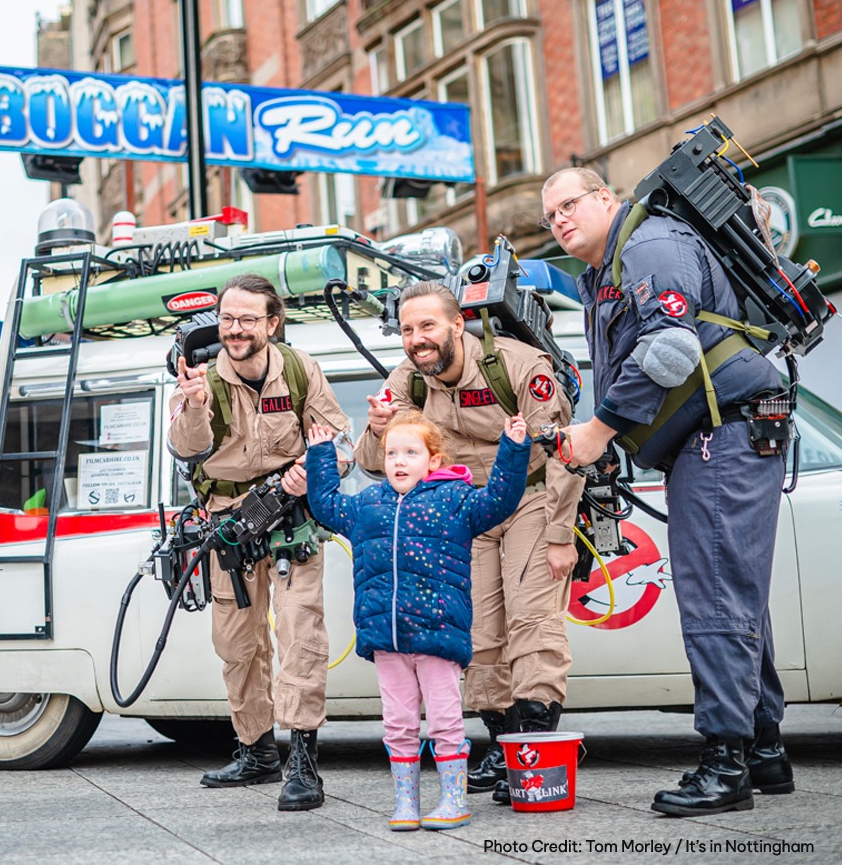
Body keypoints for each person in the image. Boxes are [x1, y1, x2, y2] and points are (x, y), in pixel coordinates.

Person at [541, 167, 793, 816]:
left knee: (714, 590)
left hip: (724, 431)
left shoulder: (649, 245)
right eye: (550, 216)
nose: (560, 219)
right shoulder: (609, 267)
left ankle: (724, 765)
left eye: (570, 203)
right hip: (716, 432)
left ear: (606, 198)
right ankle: (763, 749)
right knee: (733, 590)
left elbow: (672, 348)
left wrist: (598, 433)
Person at [355, 282, 584, 801]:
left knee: (533, 621)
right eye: (409, 329)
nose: (418, 339)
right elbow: (376, 461)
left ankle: (533, 751)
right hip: (463, 511)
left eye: (429, 326)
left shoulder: (521, 366)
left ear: (459, 325)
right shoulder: (407, 381)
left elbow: (564, 452)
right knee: (477, 631)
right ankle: (503, 750)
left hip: (530, 497)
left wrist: (559, 534)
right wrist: (375, 428)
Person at [168, 273, 350, 811]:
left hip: (292, 518)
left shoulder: (299, 369)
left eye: (248, 319)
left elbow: (336, 439)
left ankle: (303, 762)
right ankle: (256, 750)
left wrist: (310, 470)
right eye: (227, 318)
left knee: (300, 635)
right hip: (229, 523)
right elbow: (185, 447)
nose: (235, 329)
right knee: (236, 641)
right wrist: (194, 402)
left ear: (272, 323)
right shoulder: (198, 377)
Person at [305, 410, 530, 830]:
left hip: (438, 636)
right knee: (398, 724)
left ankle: (453, 798)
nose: (399, 461)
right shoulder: (368, 504)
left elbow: (500, 498)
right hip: (386, 636)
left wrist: (513, 449)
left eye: (411, 452)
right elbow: (326, 506)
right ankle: (405, 803)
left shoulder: (456, 500)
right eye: (392, 453)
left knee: (445, 721)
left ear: (434, 461)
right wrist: (319, 455)